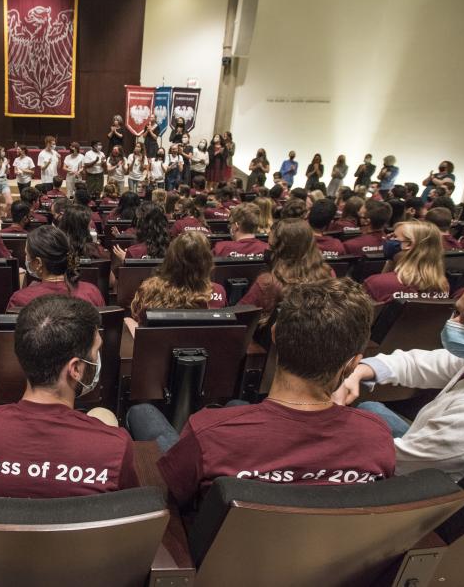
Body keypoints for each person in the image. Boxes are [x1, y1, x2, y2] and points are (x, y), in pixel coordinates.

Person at [129, 278, 394, 509]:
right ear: (353, 361)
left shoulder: (210, 431)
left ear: (275, 334)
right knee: (236, 404)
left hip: (218, 557)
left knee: (142, 412)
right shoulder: (376, 436)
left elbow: (174, 497)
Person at [334, 268, 464, 479]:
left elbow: (397, 462)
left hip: (416, 480)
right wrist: (360, 371)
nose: (453, 323)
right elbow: (422, 363)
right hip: (426, 448)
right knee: (369, 409)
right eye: (456, 312)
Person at [0, 294, 137, 496]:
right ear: (76, 369)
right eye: (95, 350)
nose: (97, 358)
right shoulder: (114, 447)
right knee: (103, 415)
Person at [239, 218, 333, 321]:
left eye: (270, 246)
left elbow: (240, 315)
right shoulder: (329, 273)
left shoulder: (268, 283)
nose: (267, 249)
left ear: (283, 251)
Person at [130, 231, 226, 323]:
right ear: (207, 262)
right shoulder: (218, 291)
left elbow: (137, 320)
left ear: (170, 258)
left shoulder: (149, 289)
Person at [7, 225, 104, 309]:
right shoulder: (92, 292)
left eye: (26, 254)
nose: (26, 258)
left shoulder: (20, 300)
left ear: (38, 263)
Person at [363, 221, 450, 304]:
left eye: (394, 237)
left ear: (408, 244)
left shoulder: (376, 283)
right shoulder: (443, 285)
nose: (386, 239)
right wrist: (391, 262)